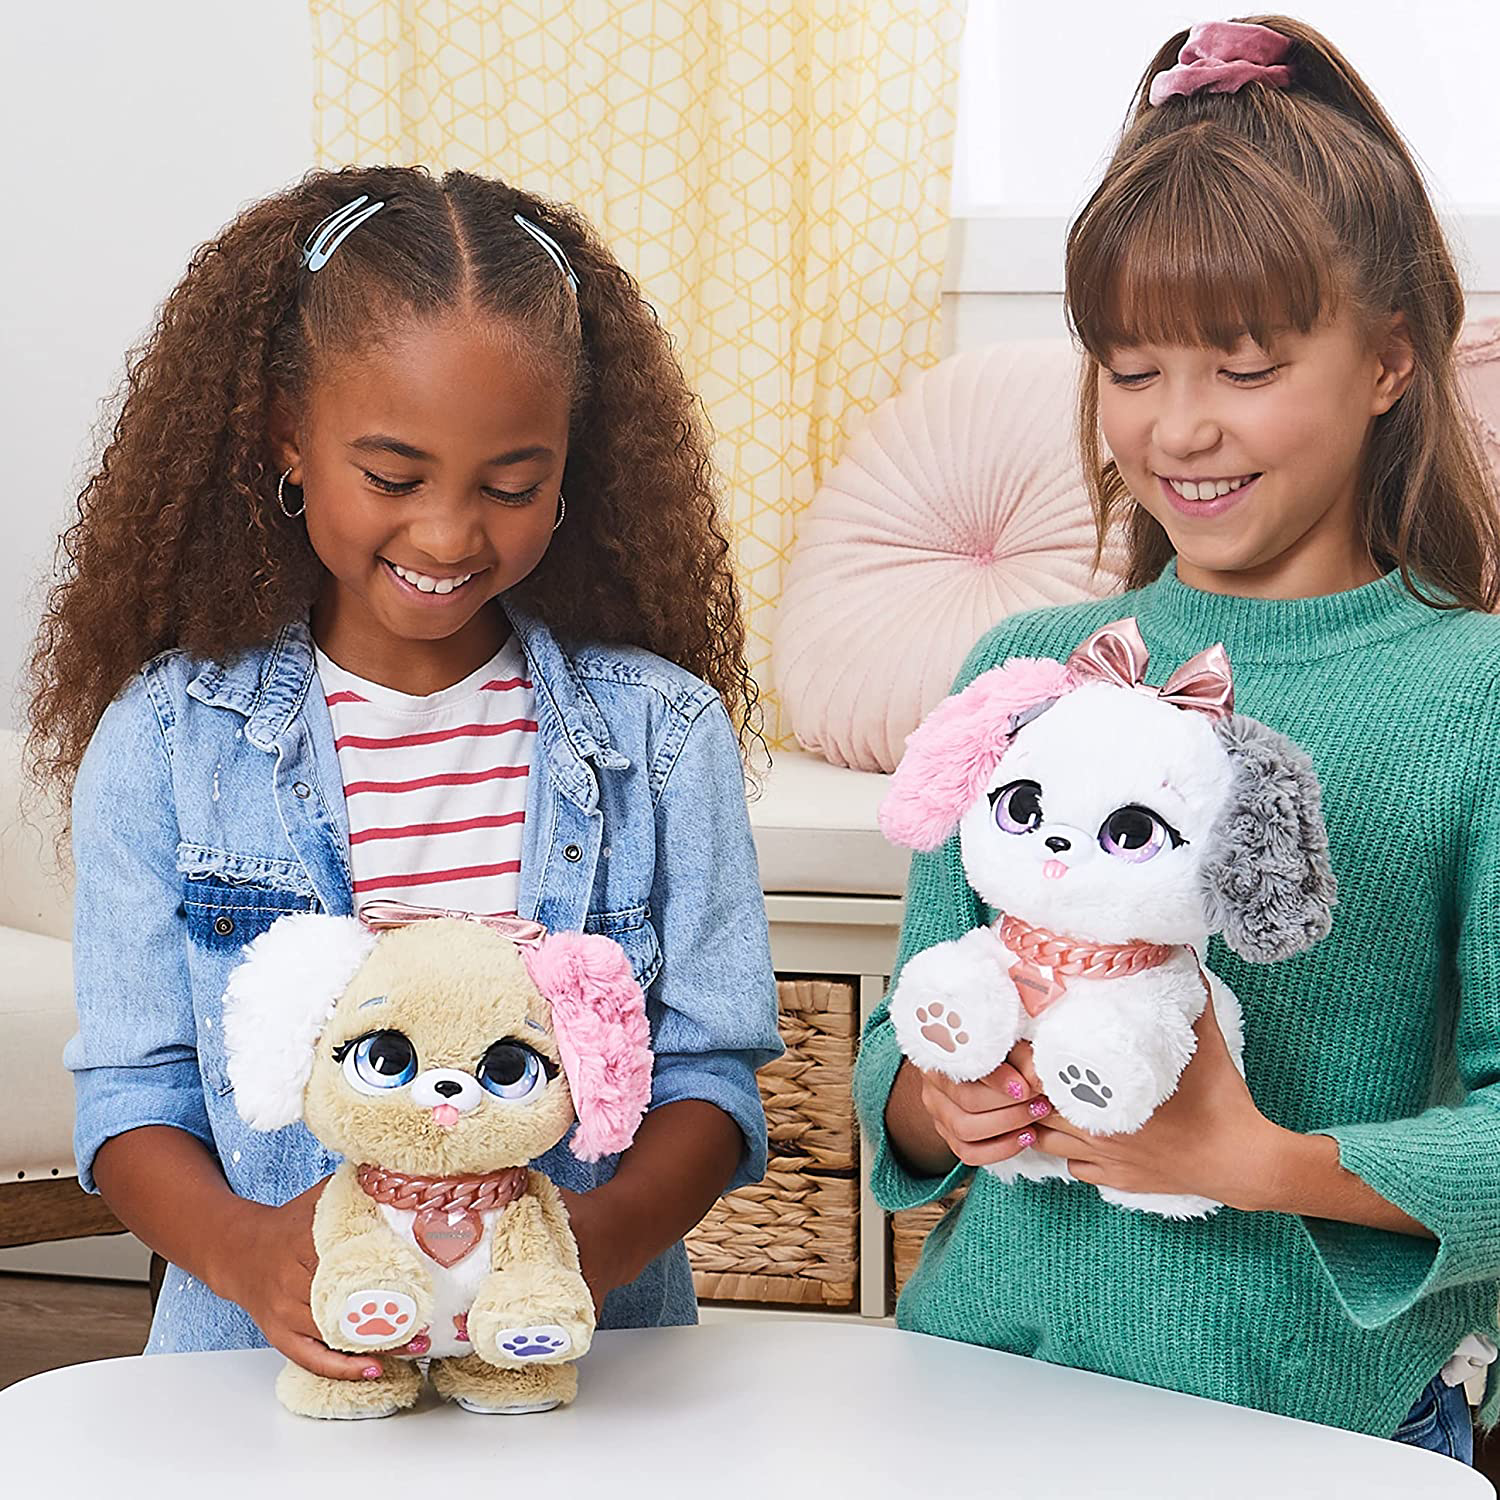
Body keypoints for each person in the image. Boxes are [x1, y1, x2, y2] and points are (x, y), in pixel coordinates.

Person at [855, 16, 1500, 1463]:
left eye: (1245, 369)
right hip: (985, 1387)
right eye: (1133, 370)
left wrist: (1259, 1160)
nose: (1180, 430)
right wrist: (943, 1101)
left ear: (1391, 361)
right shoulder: (1024, 668)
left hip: (1314, 1422)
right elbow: (902, 1040)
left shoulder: (1476, 696)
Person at [30, 165, 781, 1395]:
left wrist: (588, 1248)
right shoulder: (169, 741)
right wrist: (249, 1253)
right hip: (258, 1386)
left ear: (571, 466)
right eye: (393, 477)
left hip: (583, 1382)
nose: (446, 534)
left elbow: (713, 1077)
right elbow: (131, 1097)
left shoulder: (661, 737)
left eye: (510, 486)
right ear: (287, 436)